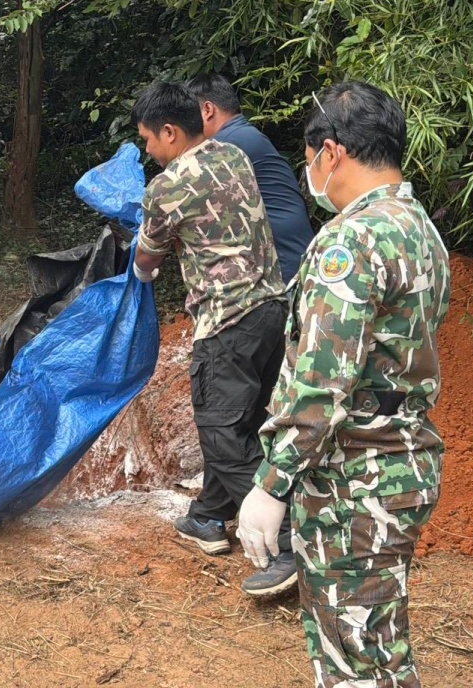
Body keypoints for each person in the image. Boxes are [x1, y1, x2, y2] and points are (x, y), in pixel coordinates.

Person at [237, 81, 451, 688]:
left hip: (353, 479)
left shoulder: (351, 239)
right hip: (399, 463)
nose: (310, 172)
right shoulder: (418, 228)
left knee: (355, 661)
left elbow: (322, 384)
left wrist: (272, 483)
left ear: (331, 153)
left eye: (309, 159)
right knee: (376, 647)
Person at [130, 81, 296, 595]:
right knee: (246, 422)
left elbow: (147, 257)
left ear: (170, 132)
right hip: (273, 311)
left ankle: (289, 543)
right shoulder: (233, 155)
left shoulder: (168, 186)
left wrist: (139, 273)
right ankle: (208, 515)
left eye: (147, 140)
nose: (147, 151)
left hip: (228, 322)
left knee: (223, 435)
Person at [186, 73, 315, 282]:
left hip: (283, 261)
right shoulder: (244, 134)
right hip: (291, 254)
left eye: (189, 118)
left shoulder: (226, 145)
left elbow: (182, 190)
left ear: (208, 110)